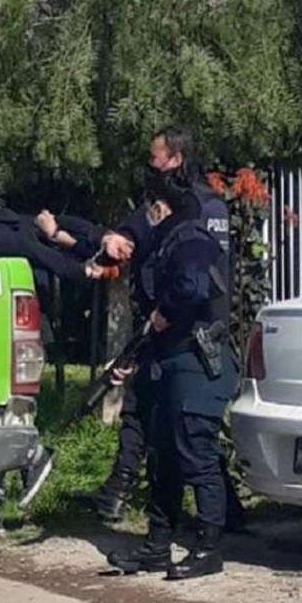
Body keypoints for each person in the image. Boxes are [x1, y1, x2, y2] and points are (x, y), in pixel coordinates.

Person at [39, 127, 245, 529]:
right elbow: (127, 236)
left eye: (155, 157)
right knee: (154, 412)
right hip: (168, 324)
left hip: (186, 328)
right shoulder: (190, 204)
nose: (149, 164)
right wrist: (67, 234)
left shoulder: (195, 208)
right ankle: (127, 494)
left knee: (183, 422)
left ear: (175, 160)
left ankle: (212, 518)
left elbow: (192, 275)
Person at [0, 166, 102, 534]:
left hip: (7, 340)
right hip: (4, 338)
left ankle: (24, 468)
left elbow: (37, 252)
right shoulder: (0, 224)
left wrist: (81, 271)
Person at [105, 174, 238, 580]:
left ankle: (208, 548)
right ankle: (156, 547)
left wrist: (165, 312)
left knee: (196, 457)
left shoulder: (192, 237)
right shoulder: (167, 240)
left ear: (161, 205)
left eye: (150, 206)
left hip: (198, 365)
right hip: (168, 363)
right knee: (163, 459)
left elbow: (192, 287)